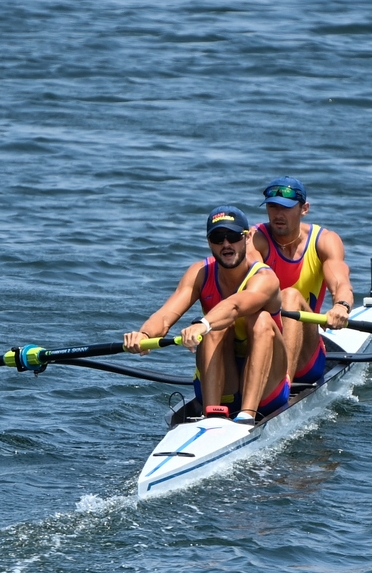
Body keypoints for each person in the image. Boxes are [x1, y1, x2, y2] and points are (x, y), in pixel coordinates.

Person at [125, 206, 291, 424]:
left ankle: (247, 415)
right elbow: (166, 315)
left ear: (248, 237)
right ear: (209, 242)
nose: (226, 244)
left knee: (259, 320)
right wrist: (144, 335)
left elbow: (235, 306)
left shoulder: (265, 278)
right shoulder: (200, 273)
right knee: (214, 328)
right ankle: (210, 415)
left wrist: (203, 324)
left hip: (268, 389)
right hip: (224, 384)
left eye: (233, 236)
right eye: (217, 238)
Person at [249, 176, 356, 394]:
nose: (278, 214)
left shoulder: (324, 241)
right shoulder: (254, 239)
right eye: (272, 207)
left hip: (307, 358)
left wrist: (341, 306)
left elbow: (341, 282)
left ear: (304, 209)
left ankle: (282, 386)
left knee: (290, 296)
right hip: (261, 341)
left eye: (286, 208)